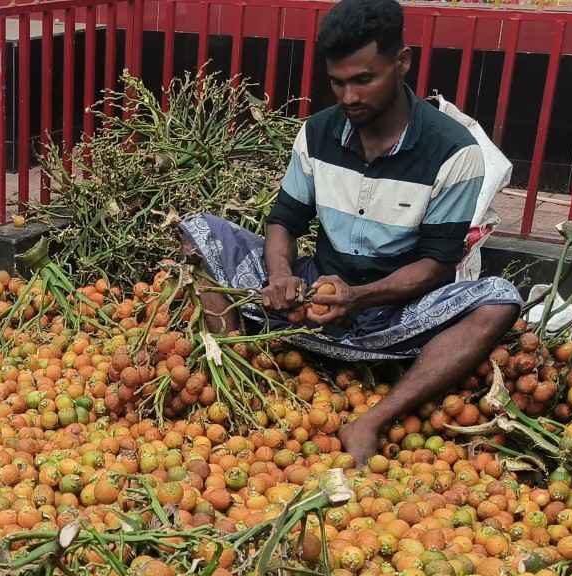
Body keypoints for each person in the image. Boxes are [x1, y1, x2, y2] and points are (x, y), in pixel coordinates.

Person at [178, 0, 521, 462]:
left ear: (402, 62)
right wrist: (280, 276)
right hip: (313, 298)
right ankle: (240, 379)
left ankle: (373, 419)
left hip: (395, 313)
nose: (349, 97)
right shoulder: (317, 133)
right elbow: (284, 220)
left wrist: (358, 296)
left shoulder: (453, 151)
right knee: (201, 232)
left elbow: (437, 267)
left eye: (364, 80)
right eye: (337, 83)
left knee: (498, 299)